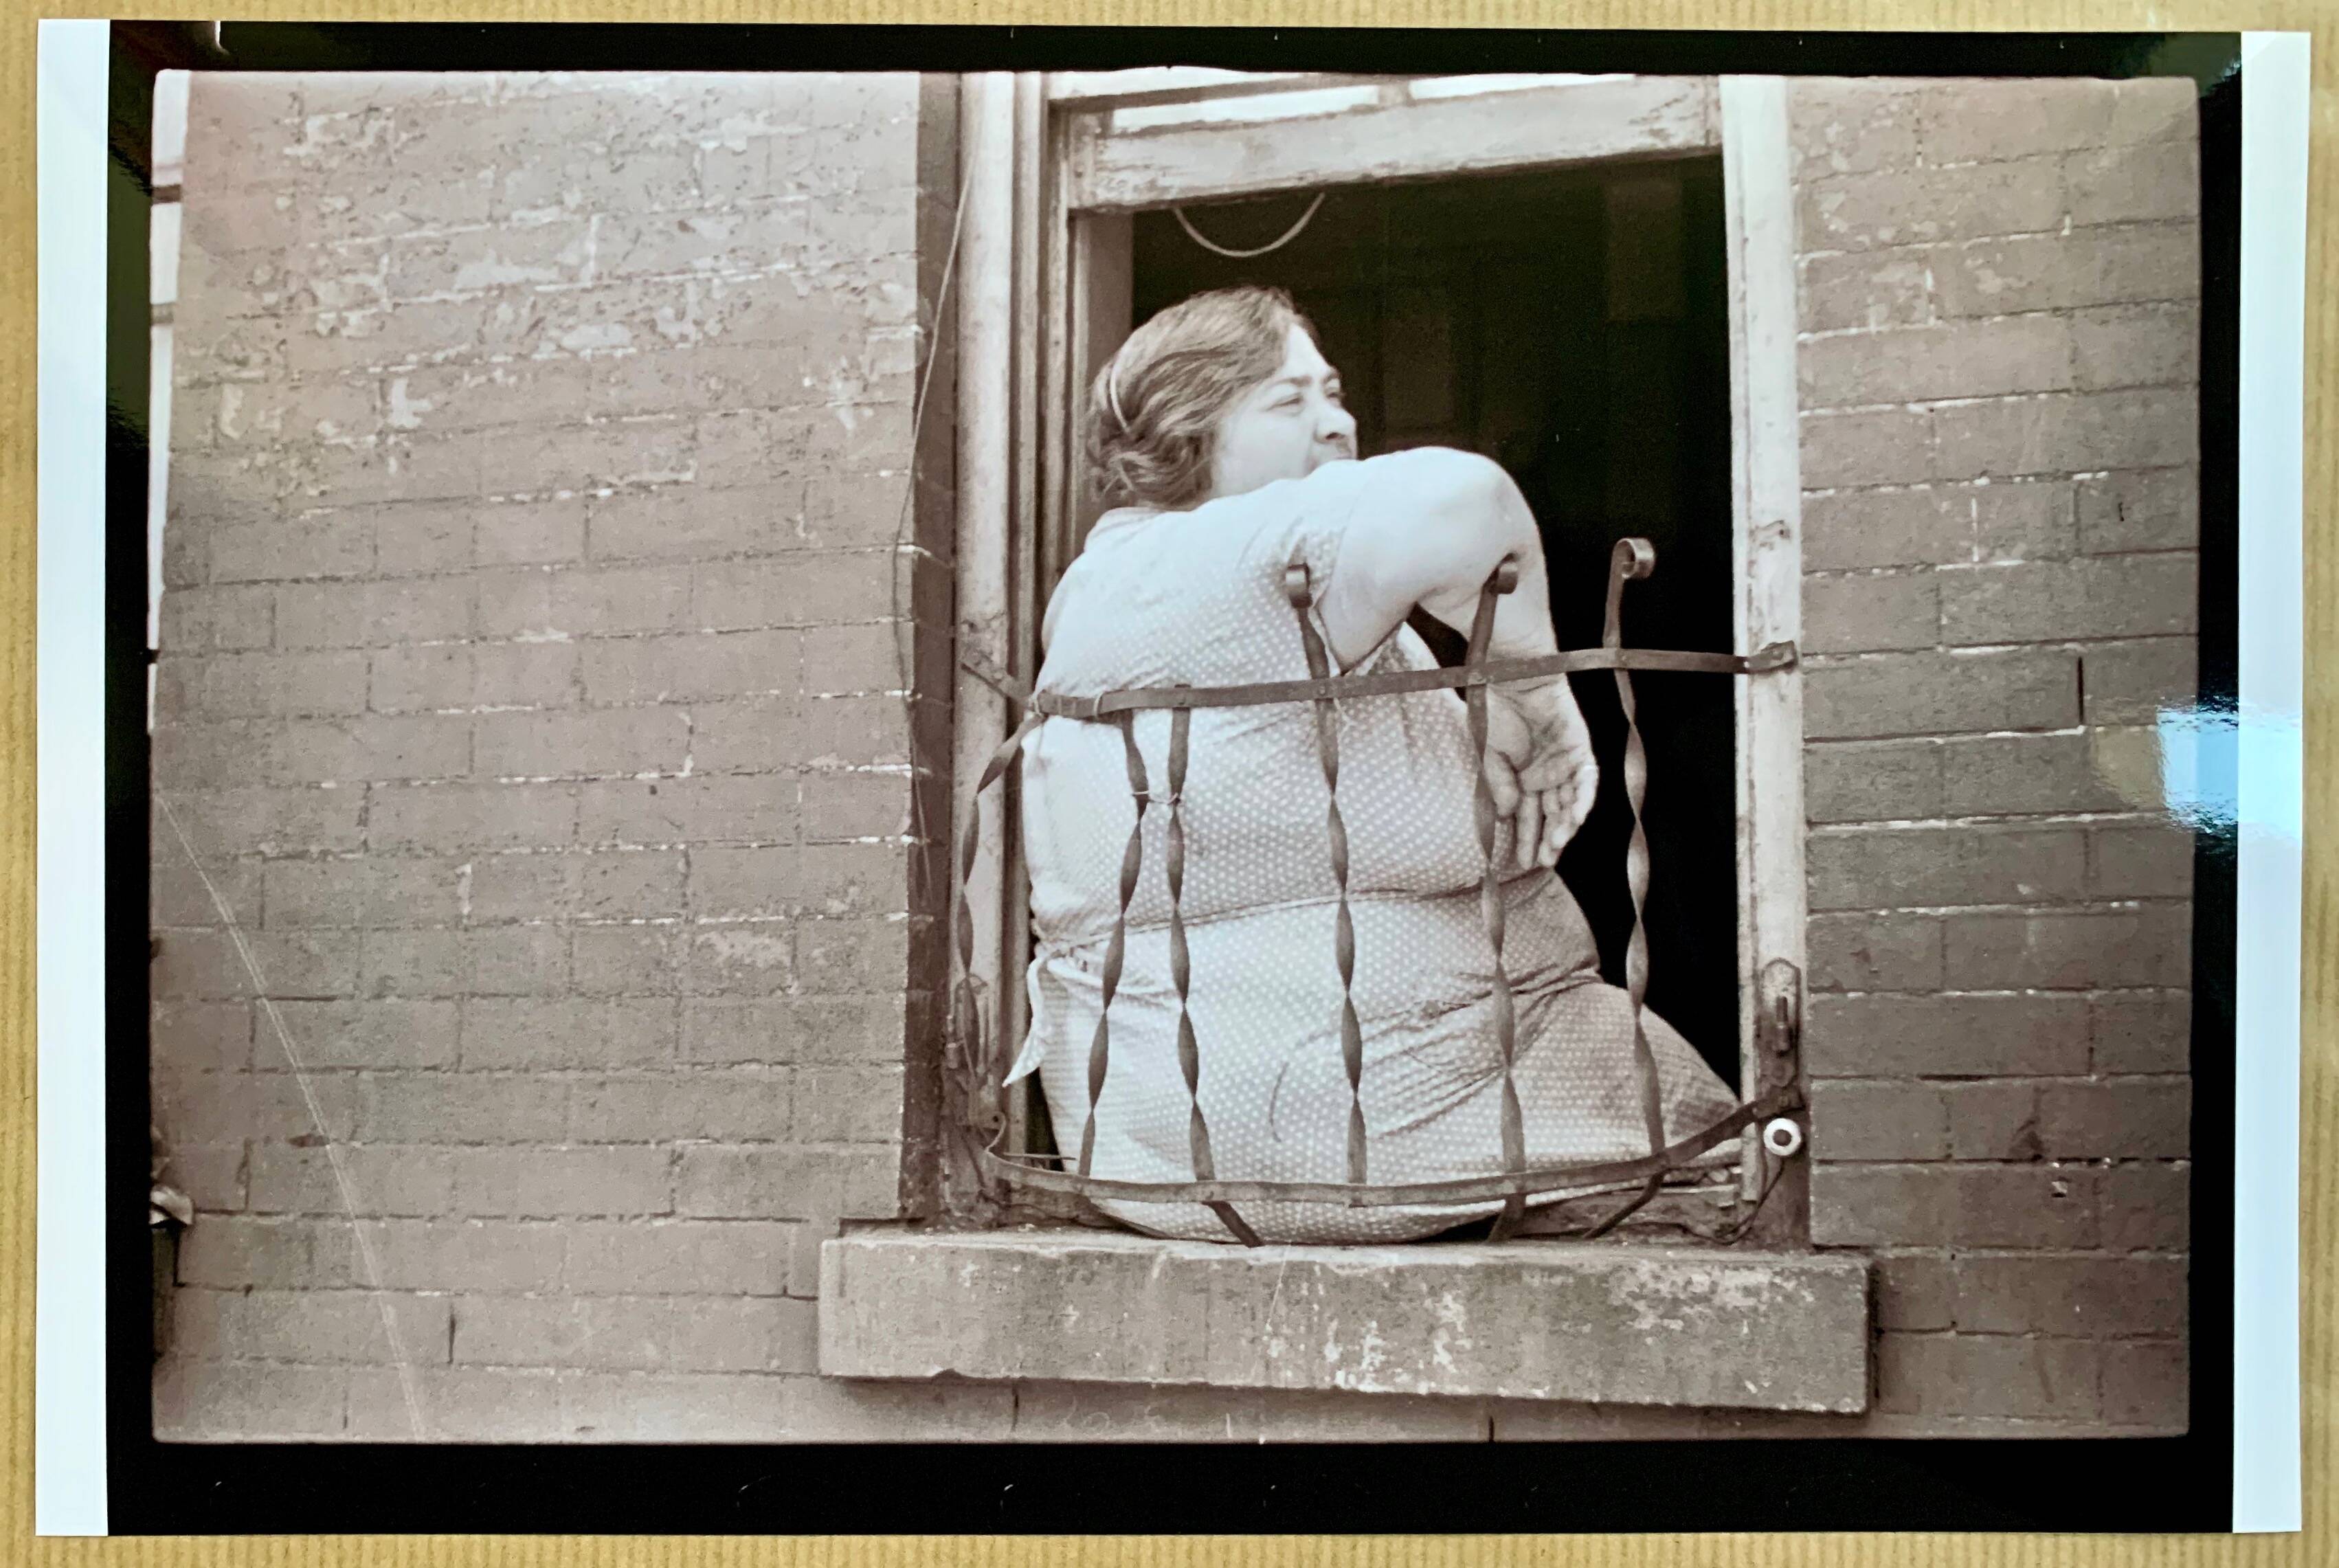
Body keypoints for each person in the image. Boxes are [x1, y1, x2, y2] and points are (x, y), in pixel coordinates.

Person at [1002, 283, 1739, 1244]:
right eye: (1288, 401)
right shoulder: (1191, 564)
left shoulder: (1193, 576)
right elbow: (1464, 504)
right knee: (1751, 1185)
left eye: (1334, 391)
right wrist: (1531, 689)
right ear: (1187, 434)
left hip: (1262, 1120)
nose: (1337, 421)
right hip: (1354, 1110)